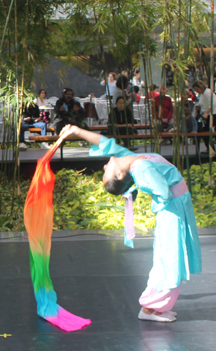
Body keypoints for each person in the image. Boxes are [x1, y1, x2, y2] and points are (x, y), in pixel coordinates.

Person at [60, 124, 202, 323]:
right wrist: (153, 186)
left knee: (170, 256)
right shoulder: (139, 167)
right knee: (170, 258)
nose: (104, 167)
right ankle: (150, 308)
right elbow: (162, 190)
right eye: (106, 172)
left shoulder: (128, 160)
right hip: (172, 211)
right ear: (119, 175)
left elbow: (105, 144)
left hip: (176, 208)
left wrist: (76, 132)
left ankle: (157, 308)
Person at [192, 80, 216, 154]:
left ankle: (211, 149)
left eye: (197, 89)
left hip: (212, 114)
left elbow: (213, 103)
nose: (197, 91)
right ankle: (210, 149)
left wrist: (207, 112)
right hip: (206, 115)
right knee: (204, 132)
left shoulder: (207, 92)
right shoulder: (202, 94)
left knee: (205, 132)